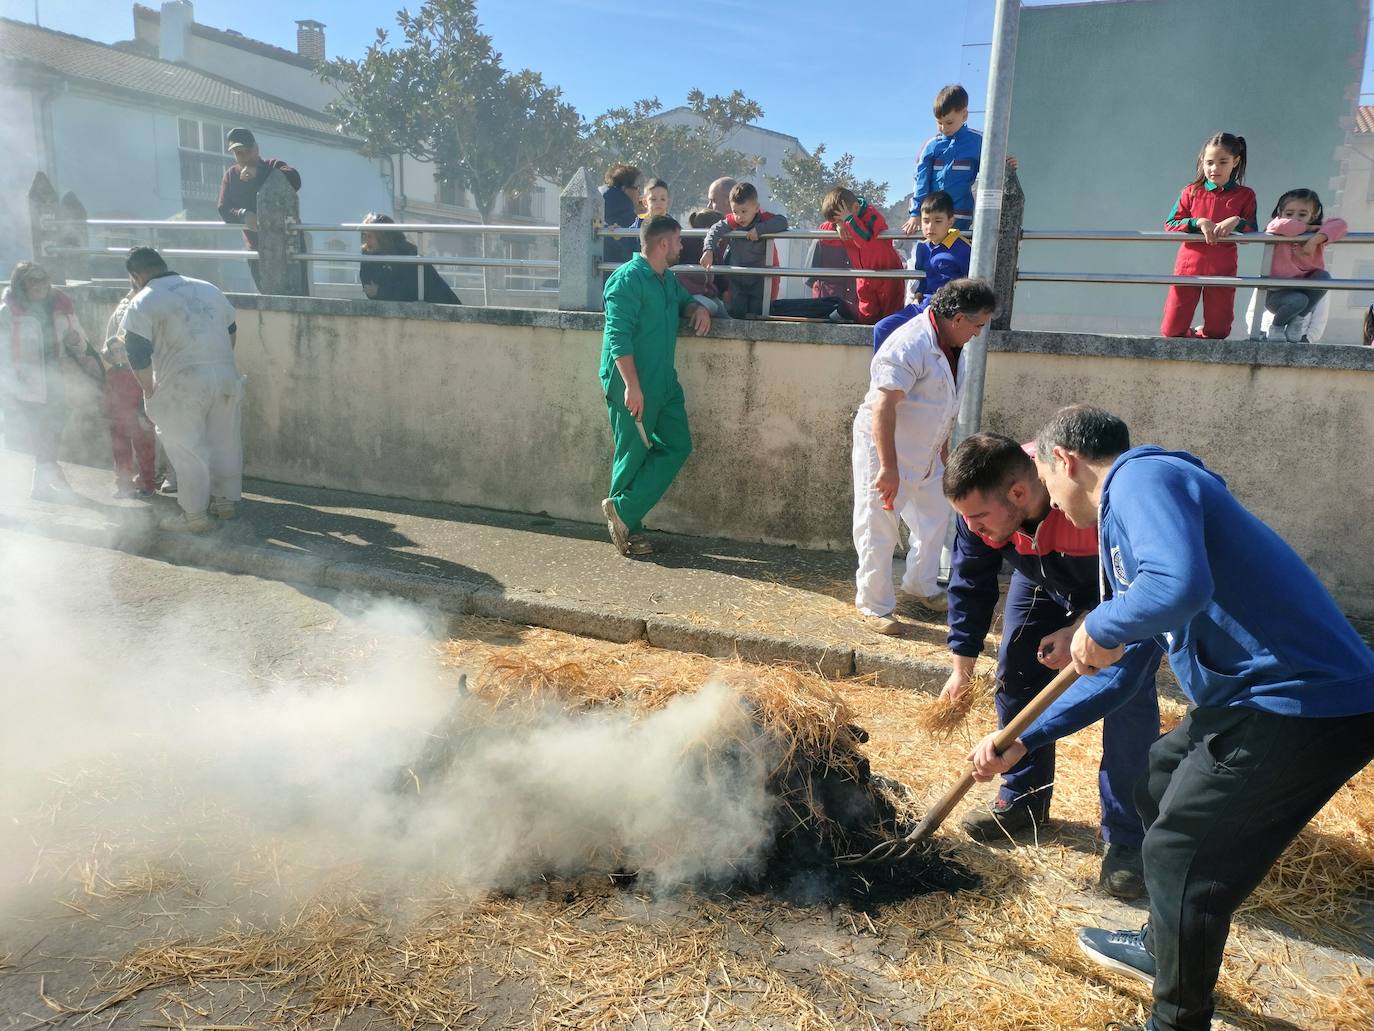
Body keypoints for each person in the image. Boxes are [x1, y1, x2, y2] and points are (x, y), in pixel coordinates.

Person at [972, 403, 1374, 1031]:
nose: (1049, 500)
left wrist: (1099, 623)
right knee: (1159, 776)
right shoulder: (1127, 529)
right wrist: (1025, 737)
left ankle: (1175, 1020)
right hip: (1249, 702)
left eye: (1046, 481)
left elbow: (1177, 585)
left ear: (1064, 461)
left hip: (1300, 702)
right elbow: (1122, 673)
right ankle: (1163, 944)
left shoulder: (1142, 478)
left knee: (1178, 851)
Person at [943, 433, 1162, 899]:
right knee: (1017, 664)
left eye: (978, 518)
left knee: (1126, 694)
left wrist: (1084, 629)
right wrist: (961, 666)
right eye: (966, 518)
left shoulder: (1092, 499)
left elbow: (1134, 591)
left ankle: (1126, 837)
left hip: (1116, 585)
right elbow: (972, 579)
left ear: (1019, 493)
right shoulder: (982, 507)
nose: (973, 528)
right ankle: (1024, 798)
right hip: (1041, 572)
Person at [852, 278, 995, 634]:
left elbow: (942, 401)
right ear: (958, 318)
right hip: (885, 447)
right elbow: (883, 407)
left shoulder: (950, 342)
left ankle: (921, 586)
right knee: (879, 524)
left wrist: (942, 447)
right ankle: (873, 605)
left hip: (927, 449)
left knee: (934, 516)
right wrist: (887, 467)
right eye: (977, 325)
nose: (978, 333)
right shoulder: (910, 343)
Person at [599, 216, 711, 556]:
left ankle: (624, 513)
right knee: (632, 452)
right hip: (632, 382)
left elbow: (684, 301)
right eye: (678, 241)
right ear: (663, 244)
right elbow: (617, 338)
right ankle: (628, 528)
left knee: (677, 445)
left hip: (663, 379)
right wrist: (632, 387)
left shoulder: (666, 279)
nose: (681, 247)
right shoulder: (626, 280)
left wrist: (698, 308)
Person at [119, 247, 244, 533]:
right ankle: (225, 503)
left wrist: (148, 389)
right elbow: (231, 330)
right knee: (225, 442)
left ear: (135, 275)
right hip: (225, 376)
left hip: (180, 383)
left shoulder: (144, 300)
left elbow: (136, 351)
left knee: (188, 449)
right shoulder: (209, 288)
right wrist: (221, 364)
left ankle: (194, 516)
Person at [0, 262, 98, 500]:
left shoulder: (60, 305)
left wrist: (76, 342)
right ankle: (49, 476)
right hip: (27, 384)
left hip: (60, 380)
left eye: (43, 279)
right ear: (21, 285)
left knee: (51, 431)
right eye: (33, 281)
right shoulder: (8, 311)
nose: (40, 285)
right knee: (41, 432)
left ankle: (42, 481)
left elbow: (80, 341)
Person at [1160, 132, 1256, 340]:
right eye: (1210, 162)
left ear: (1235, 162)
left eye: (1223, 162)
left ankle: (1200, 332)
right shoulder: (1191, 191)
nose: (1215, 169)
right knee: (1171, 331)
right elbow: (1170, 224)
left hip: (1223, 269)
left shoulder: (1245, 195)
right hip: (1188, 268)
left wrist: (1236, 221)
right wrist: (1198, 222)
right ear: (1202, 162)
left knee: (1218, 332)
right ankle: (1188, 332)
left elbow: (1252, 232)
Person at [874, 191, 971, 350]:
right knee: (882, 328)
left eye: (938, 221)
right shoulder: (922, 248)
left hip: (948, 311)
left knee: (925, 342)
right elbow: (923, 281)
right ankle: (881, 373)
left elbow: (972, 285)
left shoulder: (963, 249)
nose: (930, 227)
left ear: (950, 221)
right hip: (923, 306)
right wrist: (917, 296)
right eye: (926, 221)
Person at [217, 128, 304, 294]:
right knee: (267, 297)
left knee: (300, 295)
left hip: (290, 247)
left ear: (256, 148)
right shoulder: (230, 176)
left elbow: (295, 179)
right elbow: (223, 208)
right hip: (256, 249)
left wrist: (259, 173)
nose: (243, 157)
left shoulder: (273, 165)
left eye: (247, 151)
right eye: (238, 153)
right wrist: (243, 214)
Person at [1262, 188, 1345, 342]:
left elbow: (1340, 225)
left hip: (1305, 292)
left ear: (1312, 216)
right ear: (1280, 214)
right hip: (1278, 296)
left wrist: (1314, 240)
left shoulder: (1316, 235)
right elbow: (1278, 226)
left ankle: (1297, 320)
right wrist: (1307, 228)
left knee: (1324, 277)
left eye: (1302, 214)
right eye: (1289, 213)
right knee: (1299, 299)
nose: (1295, 218)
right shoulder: (1278, 226)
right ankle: (1277, 326)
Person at [100, 288, 158, 498]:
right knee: (120, 451)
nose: (120, 355)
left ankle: (147, 482)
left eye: (123, 350)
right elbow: (106, 395)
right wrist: (106, 413)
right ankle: (123, 483)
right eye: (115, 352)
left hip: (140, 417)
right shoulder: (112, 373)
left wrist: (144, 414)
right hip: (118, 420)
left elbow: (147, 389)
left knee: (145, 450)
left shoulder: (142, 370)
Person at [902, 85, 981, 236]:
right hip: (932, 220)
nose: (944, 128)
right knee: (929, 255)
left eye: (949, 122)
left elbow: (994, 166)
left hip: (959, 218)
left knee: (954, 255)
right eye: (939, 122)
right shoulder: (931, 146)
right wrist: (915, 213)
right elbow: (921, 180)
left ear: (964, 115)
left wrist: (1005, 162)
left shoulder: (978, 142)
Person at [700, 182, 788, 318]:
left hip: (759, 280)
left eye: (744, 211)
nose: (739, 217)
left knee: (757, 313)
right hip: (738, 280)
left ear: (756, 208)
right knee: (737, 313)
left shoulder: (764, 219)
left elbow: (782, 222)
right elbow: (714, 230)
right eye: (735, 212)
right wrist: (708, 249)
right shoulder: (732, 222)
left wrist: (760, 229)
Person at [819, 187, 904, 325]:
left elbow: (865, 241)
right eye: (837, 221)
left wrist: (849, 220)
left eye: (842, 219)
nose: (842, 224)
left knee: (891, 316)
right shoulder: (843, 223)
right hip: (864, 277)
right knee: (866, 315)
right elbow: (824, 237)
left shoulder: (873, 216)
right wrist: (837, 226)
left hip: (888, 275)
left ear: (856, 207)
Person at [359, 214, 461, 305]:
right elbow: (369, 287)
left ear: (384, 237)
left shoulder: (408, 252)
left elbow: (409, 290)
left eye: (370, 236)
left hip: (442, 306)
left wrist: (380, 292)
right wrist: (380, 292)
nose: (366, 241)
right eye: (364, 235)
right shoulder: (369, 253)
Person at [676, 210, 727, 317]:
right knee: (713, 307)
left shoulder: (714, 248)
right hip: (689, 293)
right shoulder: (688, 244)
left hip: (705, 292)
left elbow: (720, 274)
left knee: (719, 307)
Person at [600, 164, 642, 269]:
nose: (639, 192)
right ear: (624, 189)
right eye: (637, 187)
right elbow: (632, 253)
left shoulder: (599, 206)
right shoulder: (625, 216)